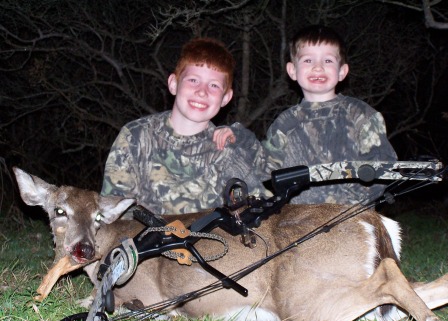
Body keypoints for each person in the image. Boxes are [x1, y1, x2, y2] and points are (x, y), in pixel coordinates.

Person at [101, 37, 269, 216]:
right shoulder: (135, 137)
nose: (202, 91)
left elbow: (259, 211)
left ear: (226, 98)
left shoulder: (227, 150)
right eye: (193, 80)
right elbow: (112, 215)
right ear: (173, 84)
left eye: (214, 85)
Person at [260, 25, 397, 205]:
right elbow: (262, 168)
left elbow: (383, 166)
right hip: (299, 221)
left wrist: (351, 203)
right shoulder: (286, 122)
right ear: (292, 71)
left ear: (342, 72)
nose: (318, 68)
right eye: (308, 60)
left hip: (352, 217)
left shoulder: (360, 114)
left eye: (328, 61)